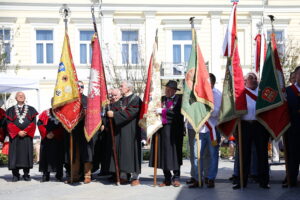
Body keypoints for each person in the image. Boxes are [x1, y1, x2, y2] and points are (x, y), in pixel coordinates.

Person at [233, 72, 270, 189]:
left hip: (259, 125)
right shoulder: (241, 94)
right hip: (244, 126)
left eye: (255, 78)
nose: (254, 80)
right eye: (251, 78)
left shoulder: (262, 93)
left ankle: (264, 181)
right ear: (245, 81)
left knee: (262, 154)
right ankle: (241, 181)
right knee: (243, 155)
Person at [189, 73, 222, 188]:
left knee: (213, 154)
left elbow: (217, 112)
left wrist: (204, 110)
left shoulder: (217, 94)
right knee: (196, 154)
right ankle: (198, 178)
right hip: (200, 129)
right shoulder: (199, 94)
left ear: (212, 83)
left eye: (207, 82)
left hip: (212, 129)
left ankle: (211, 178)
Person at [149, 80, 184, 187]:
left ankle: (176, 177)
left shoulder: (179, 100)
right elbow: (154, 111)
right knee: (163, 154)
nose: (167, 91)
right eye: (166, 89)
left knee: (175, 154)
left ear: (174, 91)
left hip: (174, 131)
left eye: (170, 90)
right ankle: (167, 178)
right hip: (162, 131)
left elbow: (177, 114)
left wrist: (163, 111)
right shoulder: (162, 99)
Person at [107, 81, 142, 186]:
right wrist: (109, 107)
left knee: (132, 153)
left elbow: (131, 112)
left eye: (122, 86)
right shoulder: (121, 100)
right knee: (122, 153)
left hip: (131, 131)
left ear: (128, 88)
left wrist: (115, 115)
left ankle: (135, 177)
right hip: (120, 130)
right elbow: (114, 108)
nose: (120, 88)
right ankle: (124, 176)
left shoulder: (136, 99)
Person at [64, 81, 96, 184]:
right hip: (74, 130)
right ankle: (74, 176)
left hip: (86, 130)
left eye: (81, 86)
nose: (80, 88)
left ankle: (87, 175)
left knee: (87, 153)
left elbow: (93, 114)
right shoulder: (70, 100)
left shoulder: (88, 100)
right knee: (74, 154)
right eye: (77, 87)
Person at [6, 92, 38, 181]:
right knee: (15, 155)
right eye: (19, 95)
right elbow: (9, 123)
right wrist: (17, 132)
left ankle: (26, 174)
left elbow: (33, 123)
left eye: (23, 95)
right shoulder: (10, 110)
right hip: (15, 137)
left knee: (26, 154)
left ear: (25, 98)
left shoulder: (31, 109)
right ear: (16, 98)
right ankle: (15, 174)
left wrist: (26, 131)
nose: (21, 96)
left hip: (26, 136)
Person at [37, 106, 65, 182]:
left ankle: (59, 175)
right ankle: (45, 175)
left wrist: (54, 133)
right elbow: (39, 123)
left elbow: (65, 126)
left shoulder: (63, 112)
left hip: (58, 139)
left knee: (59, 158)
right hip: (46, 139)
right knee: (45, 158)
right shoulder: (45, 113)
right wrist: (46, 134)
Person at [284, 66, 300, 187]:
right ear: (295, 76)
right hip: (292, 128)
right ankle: (291, 179)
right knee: (292, 155)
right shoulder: (287, 91)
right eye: (299, 74)